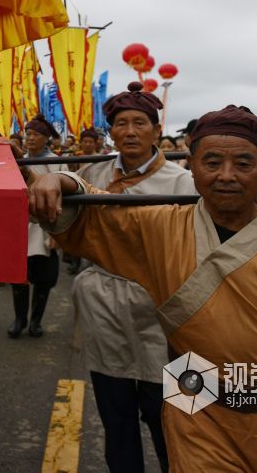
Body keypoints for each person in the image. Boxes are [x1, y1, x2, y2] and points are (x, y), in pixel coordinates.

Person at [29, 104, 257, 472]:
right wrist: (64, 182)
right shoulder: (162, 228)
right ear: (192, 165)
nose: (226, 176)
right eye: (212, 163)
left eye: (243, 164)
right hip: (194, 404)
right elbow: (97, 220)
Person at [72, 82, 194, 473]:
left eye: (139, 123)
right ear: (110, 132)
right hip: (105, 304)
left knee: (177, 418)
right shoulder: (91, 171)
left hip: (166, 305)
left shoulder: (183, 182)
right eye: (120, 123)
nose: (129, 131)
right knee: (116, 416)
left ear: (156, 130)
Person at [9, 114, 66, 339]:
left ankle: (35, 321)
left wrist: (58, 233)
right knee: (18, 277)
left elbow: (65, 201)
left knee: (43, 279)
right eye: (28, 134)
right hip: (20, 227)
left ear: (46, 138)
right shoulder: (19, 160)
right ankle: (19, 319)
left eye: (36, 134)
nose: (30, 138)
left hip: (45, 228)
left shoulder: (56, 161)